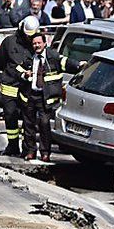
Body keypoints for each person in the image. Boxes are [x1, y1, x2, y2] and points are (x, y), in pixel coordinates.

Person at [17, 32, 85, 162]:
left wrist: (79, 65)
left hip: (45, 97)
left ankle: (45, 153)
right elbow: (18, 70)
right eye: (34, 43)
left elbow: (65, 62)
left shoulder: (52, 56)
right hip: (30, 96)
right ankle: (30, 151)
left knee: (44, 124)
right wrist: (24, 75)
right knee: (28, 125)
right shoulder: (29, 57)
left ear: (44, 43)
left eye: (39, 43)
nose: (37, 46)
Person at [0, 16, 37, 156]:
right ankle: (13, 146)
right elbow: (1, 62)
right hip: (10, 86)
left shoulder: (35, 43)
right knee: (10, 116)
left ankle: (28, 149)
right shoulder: (9, 42)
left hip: (26, 87)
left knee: (28, 118)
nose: (29, 38)